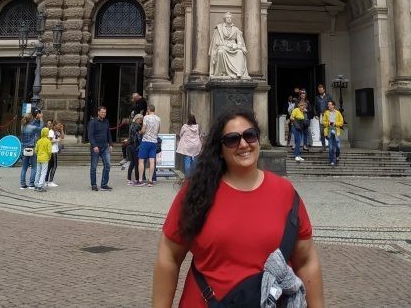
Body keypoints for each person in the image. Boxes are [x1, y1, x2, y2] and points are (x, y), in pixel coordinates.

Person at [152, 109, 324, 308]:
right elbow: (169, 255)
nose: (243, 144)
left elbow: (306, 260)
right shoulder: (198, 191)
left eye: (250, 135)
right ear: (220, 149)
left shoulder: (285, 192)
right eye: (232, 140)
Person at [210, 13, 249, 78]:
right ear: (224, 19)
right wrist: (227, 45)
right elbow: (217, 42)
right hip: (223, 46)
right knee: (220, 52)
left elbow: (240, 42)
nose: (229, 19)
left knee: (240, 52)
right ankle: (222, 73)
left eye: (230, 17)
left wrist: (236, 46)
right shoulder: (219, 28)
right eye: (227, 17)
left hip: (233, 47)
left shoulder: (236, 29)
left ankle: (238, 72)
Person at [88, 105, 112, 191]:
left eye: (105, 112)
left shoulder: (106, 121)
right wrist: (94, 145)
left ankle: (104, 184)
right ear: (98, 112)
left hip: (105, 146)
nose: (104, 114)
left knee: (108, 164)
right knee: (94, 166)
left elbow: (108, 133)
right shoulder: (93, 122)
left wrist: (111, 144)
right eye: (102, 112)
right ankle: (94, 184)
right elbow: (90, 135)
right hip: (96, 147)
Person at [137, 103, 161, 186]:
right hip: (154, 141)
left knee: (141, 160)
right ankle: (150, 180)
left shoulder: (146, 117)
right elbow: (158, 130)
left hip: (146, 141)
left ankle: (140, 180)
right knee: (152, 161)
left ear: (148, 109)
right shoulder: (158, 118)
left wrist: (140, 132)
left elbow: (143, 129)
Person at [19, 111, 43, 189]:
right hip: (32, 148)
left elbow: (30, 124)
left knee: (24, 168)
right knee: (34, 167)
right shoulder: (33, 128)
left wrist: (36, 119)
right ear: (31, 119)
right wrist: (41, 119)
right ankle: (31, 184)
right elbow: (41, 128)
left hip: (23, 148)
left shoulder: (22, 126)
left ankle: (22, 184)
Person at [321, 100, 345, 167]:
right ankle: (331, 160)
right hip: (329, 132)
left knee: (338, 146)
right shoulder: (326, 112)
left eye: (330, 104)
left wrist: (335, 124)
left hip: (336, 132)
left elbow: (341, 122)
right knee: (331, 147)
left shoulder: (338, 113)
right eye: (328, 104)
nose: (328, 105)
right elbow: (323, 122)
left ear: (333, 105)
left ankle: (337, 156)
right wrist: (329, 123)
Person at [33, 125, 52, 192]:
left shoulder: (39, 141)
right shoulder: (48, 141)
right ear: (47, 133)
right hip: (45, 158)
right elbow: (49, 151)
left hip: (39, 158)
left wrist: (38, 154)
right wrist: (49, 157)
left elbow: (36, 150)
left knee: (38, 172)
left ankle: (36, 185)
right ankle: (40, 186)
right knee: (43, 172)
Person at [126, 113, 143, 186]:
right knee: (136, 163)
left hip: (130, 145)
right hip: (135, 146)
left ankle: (129, 179)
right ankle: (136, 179)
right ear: (137, 119)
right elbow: (139, 137)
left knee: (132, 163)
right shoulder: (138, 126)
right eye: (141, 119)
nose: (141, 121)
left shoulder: (132, 125)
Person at [46, 120, 64, 187]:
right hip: (52, 151)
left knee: (50, 166)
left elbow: (62, 137)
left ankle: (46, 181)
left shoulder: (56, 132)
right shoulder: (51, 132)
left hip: (55, 150)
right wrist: (57, 140)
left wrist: (62, 130)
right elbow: (49, 141)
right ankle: (50, 181)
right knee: (54, 166)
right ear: (54, 125)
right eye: (58, 125)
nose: (59, 126)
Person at [314, 84, 329, 150]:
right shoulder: (317, 98)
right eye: (319, 90)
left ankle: (331, 142)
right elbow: (314, 107)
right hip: (321, 116)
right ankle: (323, 146)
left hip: (328, 116)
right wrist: (315, 115)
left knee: (328, 131)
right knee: (322, 131)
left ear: (324, 89)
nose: (320, 91)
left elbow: (332, 105)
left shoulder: (328, 97)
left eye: (321, 90)